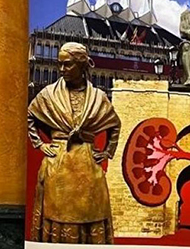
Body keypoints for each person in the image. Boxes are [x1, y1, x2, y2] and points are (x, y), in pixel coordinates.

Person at [27, 42, 121, 244]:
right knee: (57, 213)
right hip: (58, 162)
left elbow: (115, 124)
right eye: (60, 64)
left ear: (81, 65)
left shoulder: (98, 97)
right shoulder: (48, 94)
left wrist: (107, 152)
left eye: (67, 64)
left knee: (91, 212)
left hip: (87, 163)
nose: (62, 69)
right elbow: (30, 117)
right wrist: (40, 144)